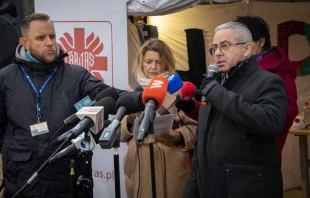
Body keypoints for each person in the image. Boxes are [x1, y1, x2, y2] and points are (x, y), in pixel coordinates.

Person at [0, 13, 143, 198]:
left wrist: (142, 99)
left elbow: (110, 94)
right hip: (22, 183)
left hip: (67, 181)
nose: (49, 42)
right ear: (24, 42)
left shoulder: (76, 75)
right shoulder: (5, 78)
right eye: (41, 38)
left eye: (52, 36)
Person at [180, 22, 288, 198]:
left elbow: (271, 123)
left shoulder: (268, 82)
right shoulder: (214, 85)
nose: (217, 53)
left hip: (248, 189)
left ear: (246, 49)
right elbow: (201, 150)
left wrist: (216, 93)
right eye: (214, 48)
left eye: (225, 46)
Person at [117, 38, 197, 198]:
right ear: (141, 62)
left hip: (171, 162)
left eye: (158, 62)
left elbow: (196, 126)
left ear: (165, 63)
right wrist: (130, 120)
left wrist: (177, 136)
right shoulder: (129, 91)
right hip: (139, 163)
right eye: (148, 61)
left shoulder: (179, 89)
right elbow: (119, 131)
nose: (153, 67)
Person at [234, 15, 298, 159]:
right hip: (234, 155)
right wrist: (192, 107)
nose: (238, 47)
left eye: (243, 42)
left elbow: (284, 117)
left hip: (261, 157)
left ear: (261, 41)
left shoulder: (279, 73)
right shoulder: (237, 68)